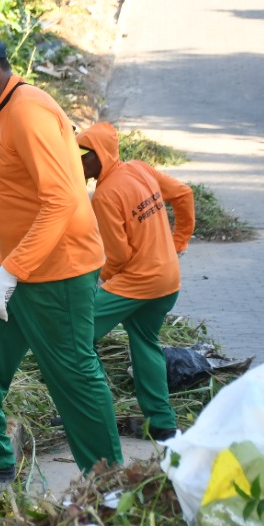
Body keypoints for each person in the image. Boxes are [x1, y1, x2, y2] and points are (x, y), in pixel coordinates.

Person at [0, 31, 123, 481]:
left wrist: (10, 271)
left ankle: (110, 484)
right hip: (17, 264)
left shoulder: (28, 112)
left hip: (59, 270)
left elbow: (62, 201)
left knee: (71, 374)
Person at [77, 122, 194, 441]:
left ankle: (88, 412)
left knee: (75, 336)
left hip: (137, 283)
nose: (77, 162)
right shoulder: (140, 169)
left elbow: (118, 257)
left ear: (99, 155)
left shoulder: (104, 195)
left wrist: (93, 280)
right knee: (145, 344)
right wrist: (178, 242)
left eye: (82, 155)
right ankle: (163, 425)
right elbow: (183, 194)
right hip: (168, 280)